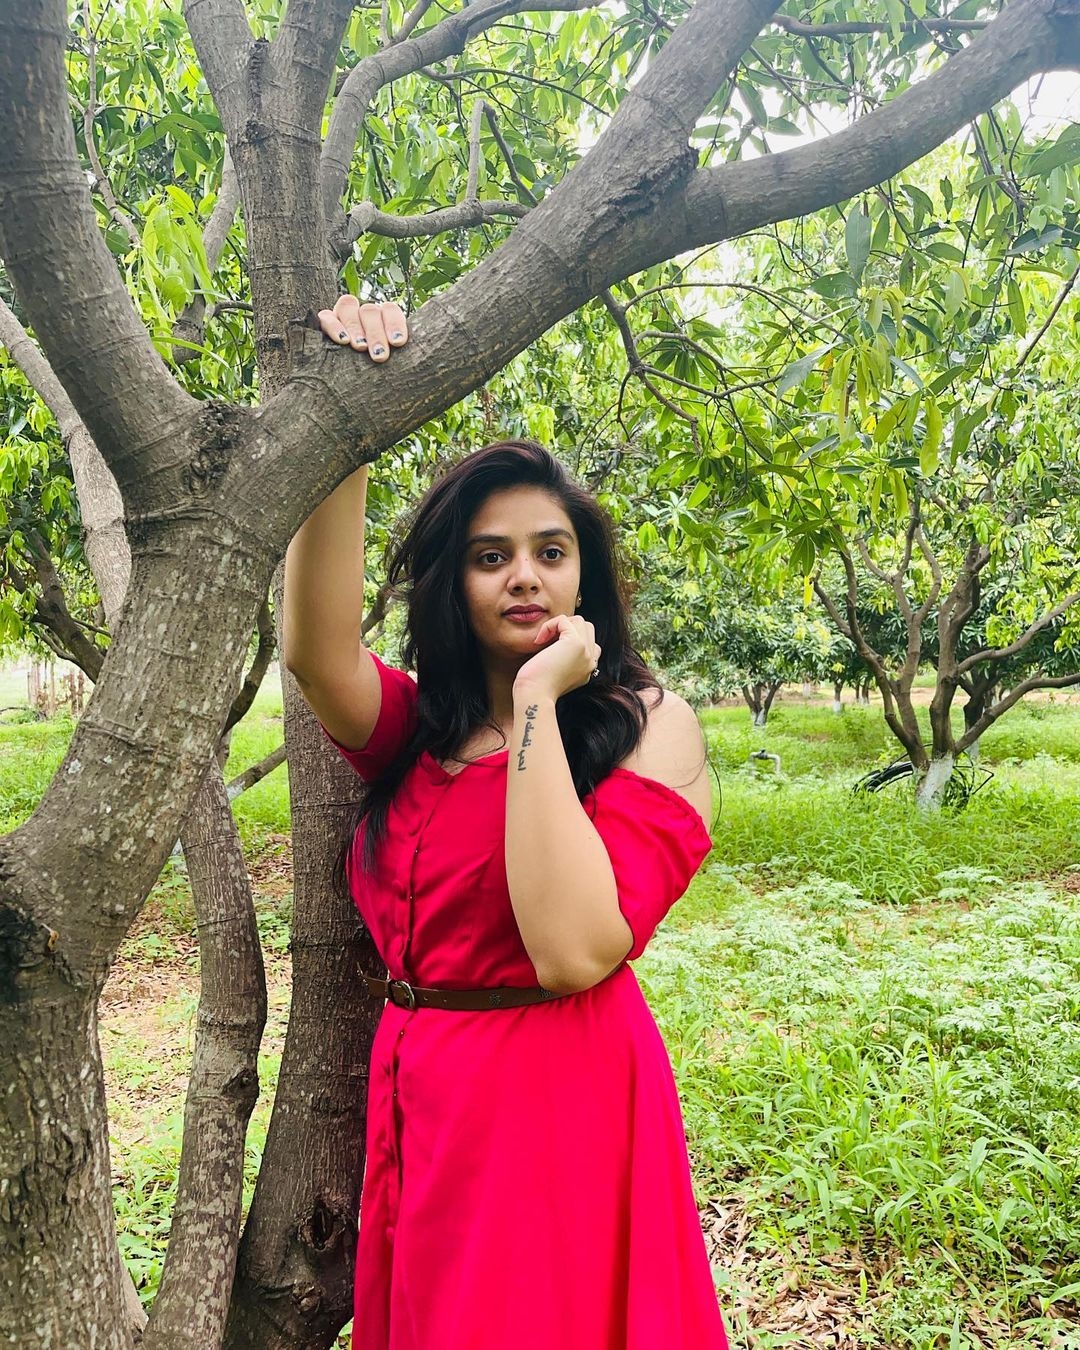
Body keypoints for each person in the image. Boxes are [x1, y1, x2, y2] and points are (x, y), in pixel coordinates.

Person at [282, 294, 729, 1349]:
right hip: (420, 1094)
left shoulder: (647, 726)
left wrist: (535, 703)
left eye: (550, 550)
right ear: (456, 583)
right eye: (491, 556)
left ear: (585, 573)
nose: (525, 574)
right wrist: (347, 420)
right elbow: (314, 650)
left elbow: (573, 949)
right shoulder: (417, 731)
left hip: (556, 1101)